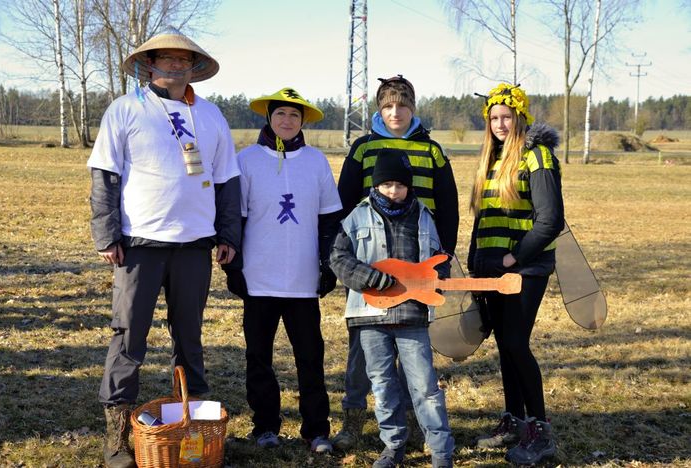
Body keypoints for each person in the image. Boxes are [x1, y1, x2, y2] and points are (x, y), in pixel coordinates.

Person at [87, 27, 241, 468]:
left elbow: (227, 179)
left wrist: (228, 235)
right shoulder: (125, 109)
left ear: (194, 66)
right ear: (149, 63)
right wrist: (106, 234)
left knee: (190, 337)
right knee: (128, 337)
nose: (176, 64)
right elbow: (104, 175)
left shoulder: (210, 115)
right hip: (140, 243)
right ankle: (117, 436)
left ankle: (192, 428)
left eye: (183, 58)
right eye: (166, 57)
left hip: (195, 244)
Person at [333, 75, 459, 450]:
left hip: (418, 261)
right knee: (363, 352)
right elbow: (344, 205)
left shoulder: (432, 151)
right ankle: (353, 420)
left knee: (413, 352)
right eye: (387, 106)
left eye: (402, 105)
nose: (395, 113)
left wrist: (442, 261)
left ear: (412, 108)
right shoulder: (363, 148)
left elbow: (448, 208)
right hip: (370, 264)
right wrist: (349, 267)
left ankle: (412, 423)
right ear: (379, 109)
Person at [222, 87, 343, 454]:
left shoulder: (316, 161)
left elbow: (329, 220)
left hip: (302, 281)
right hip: (259, 278)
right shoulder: (247, 160)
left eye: (294, 115)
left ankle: (316, 430)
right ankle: (265, 427)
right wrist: (235, 268)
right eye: (280, 114)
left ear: (302, 121)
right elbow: (236, 218)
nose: (287, 121)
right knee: (258, 357)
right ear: (269, 118)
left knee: (310, 358)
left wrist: (328, 264)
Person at [468, 83, 564, 465]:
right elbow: (483, 219)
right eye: (494, 118)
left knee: (515, 342)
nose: (500, 124)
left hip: (524, 269)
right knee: (504, 345)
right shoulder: (491, 159)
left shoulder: (537, 157)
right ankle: (513, 420)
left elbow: (550, 221)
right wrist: (476, 262)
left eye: (506, 117)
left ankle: (540, 431)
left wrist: (514, 258)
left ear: (520, 117)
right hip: (492, 269)